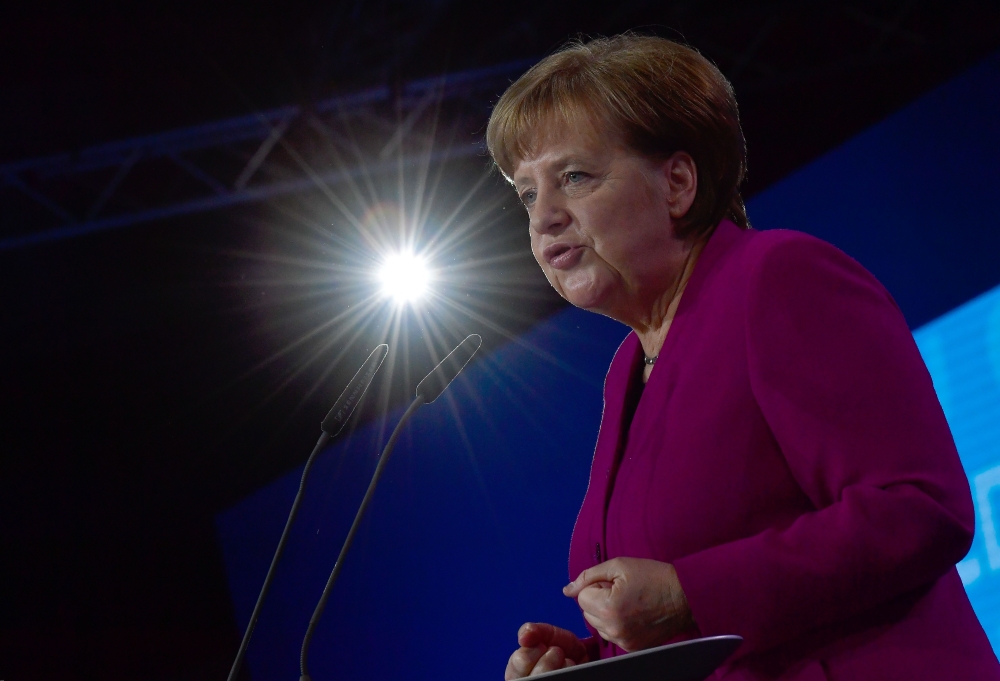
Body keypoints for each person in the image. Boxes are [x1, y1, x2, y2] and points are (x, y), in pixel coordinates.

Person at [485, 35, 1000, 680]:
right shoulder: (627, 369)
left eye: (574, 177)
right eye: (528, 194)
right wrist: (592, 660)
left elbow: (919, 507)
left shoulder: (776, 277)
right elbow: (702, 607)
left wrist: (685, 593)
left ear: (676, 182)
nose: (545, 219)